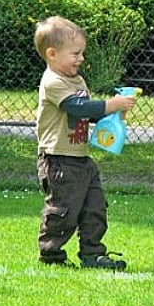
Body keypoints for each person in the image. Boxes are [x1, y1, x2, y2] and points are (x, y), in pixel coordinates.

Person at [34, 16, 137, 270]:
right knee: (63, 209)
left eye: (82, 53)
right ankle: (51, 255)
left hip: (80, 157)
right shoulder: (53, 82)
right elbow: (77, 108)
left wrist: (112, 113)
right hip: (58, 159)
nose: (81, 58)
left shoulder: (77, 80)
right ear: (52, 54)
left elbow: (89, 112)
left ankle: (92, 254)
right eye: (75, 53)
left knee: (95, 206)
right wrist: (110, 104)